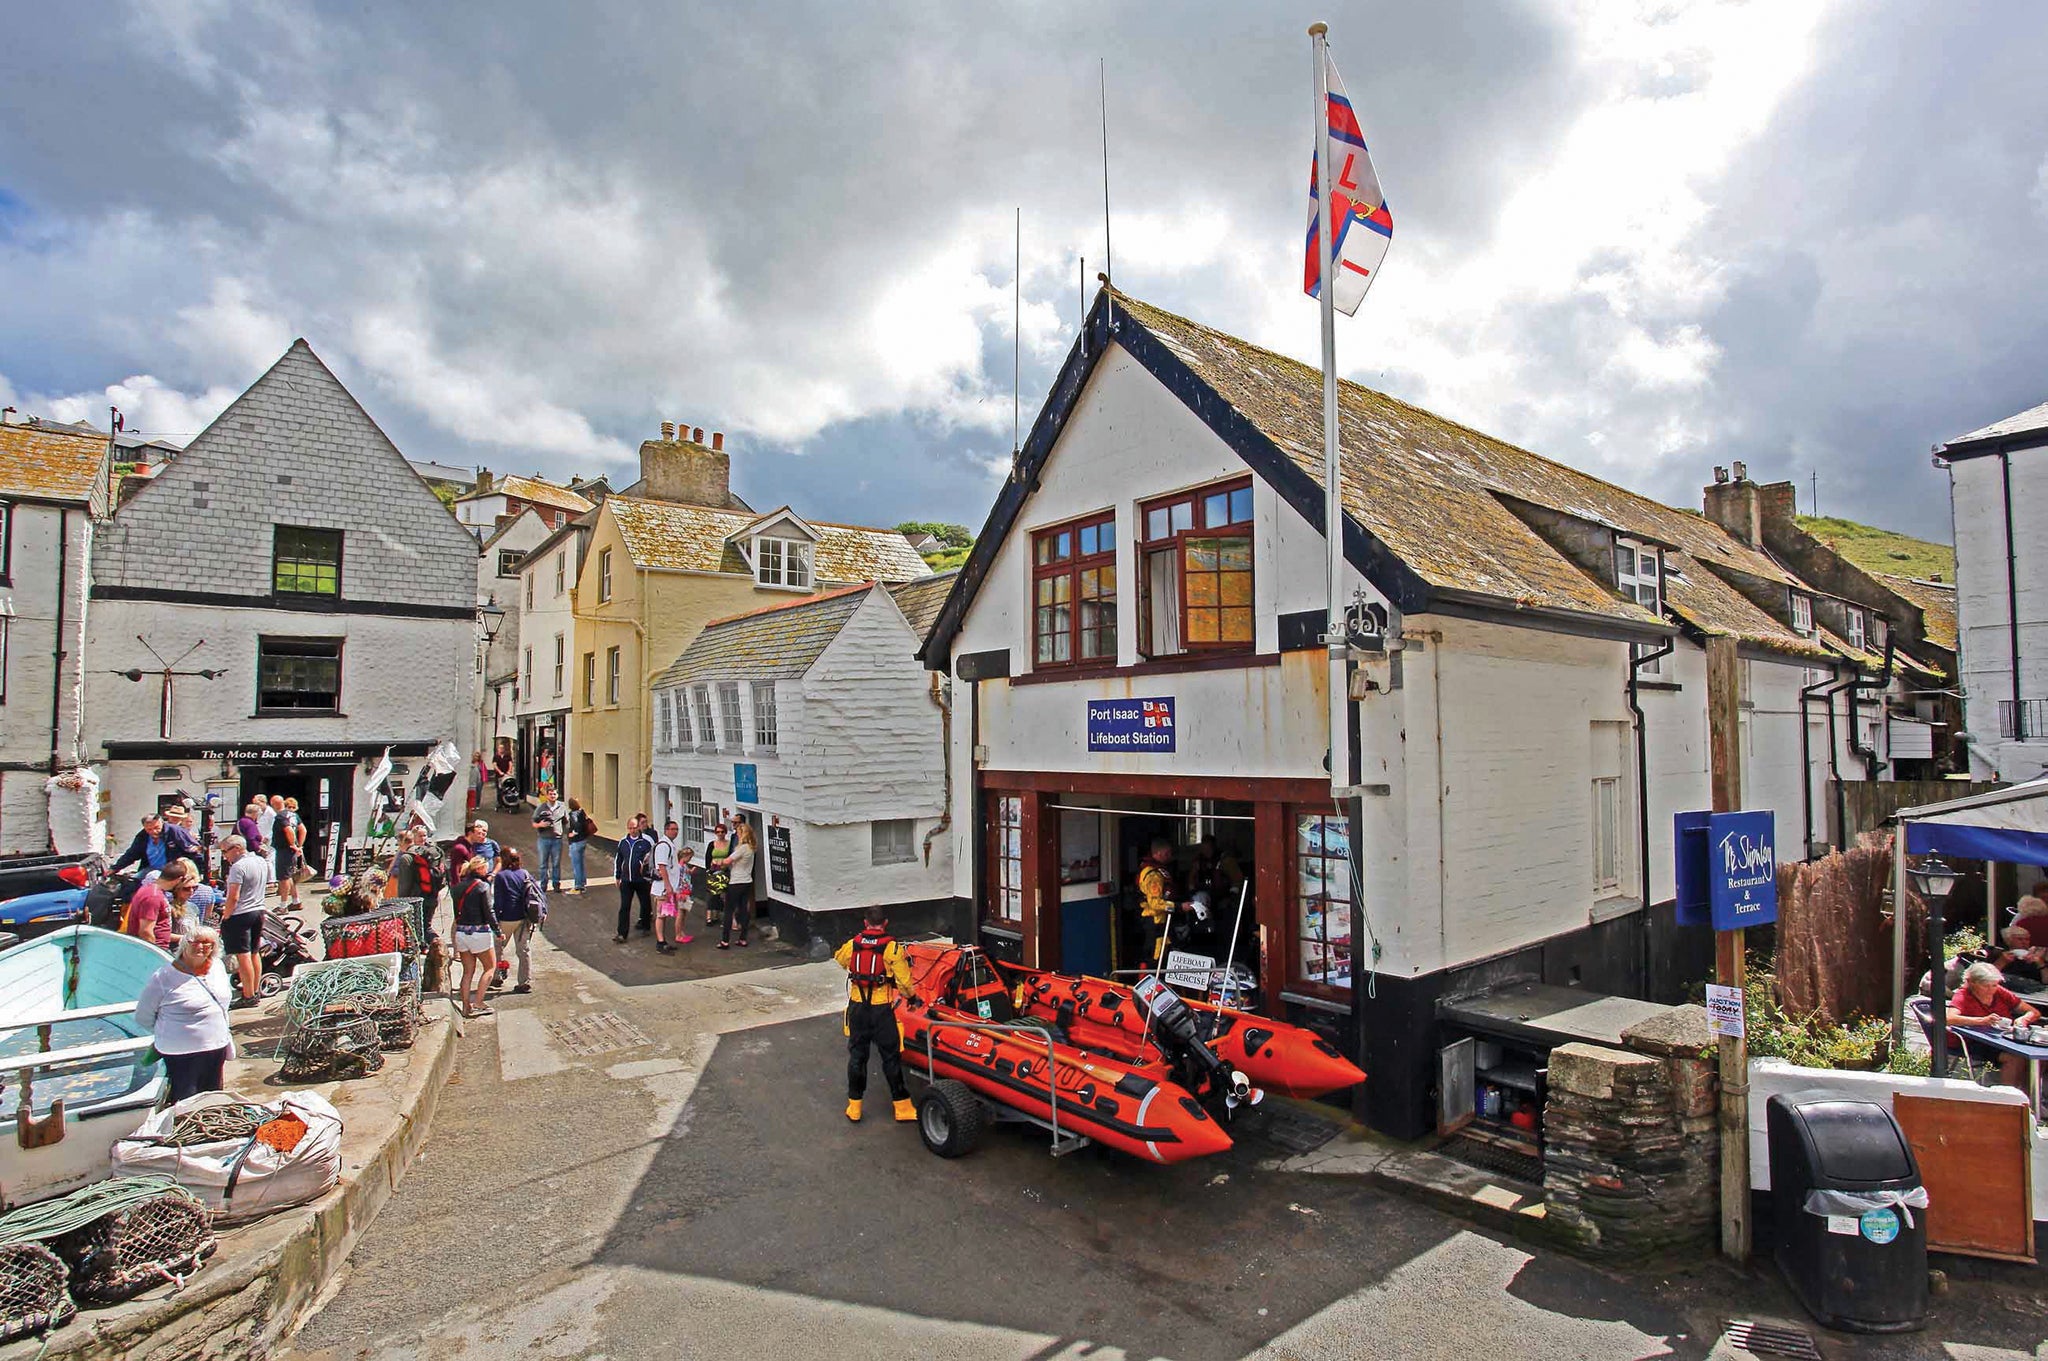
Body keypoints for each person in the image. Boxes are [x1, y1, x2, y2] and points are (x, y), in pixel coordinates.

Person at [834, 906, 917, 1123]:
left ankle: (854, 1106)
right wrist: (911, 997)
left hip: (857, 1007)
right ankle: (902, 1107)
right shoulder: (892, 948)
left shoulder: (854, 943)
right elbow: (905, 982)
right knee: (890, 1057)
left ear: (865, 922)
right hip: (881, 1010)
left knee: (857, 1056)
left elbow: (840, 959)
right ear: (886, 922)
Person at [135, 926, 235, 1102]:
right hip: (181, 1053)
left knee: (213, 1098)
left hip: (216, 1047)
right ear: (184, 944)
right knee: (186, 1100)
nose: (202, 947)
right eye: (195, 942)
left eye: (208, 943)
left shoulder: (218, 967)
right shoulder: (163, 976)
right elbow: (143, 1016)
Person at [1948, 961, 2044, 1090]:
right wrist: (1982, 1021)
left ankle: (2029, 1097)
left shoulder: (1999, 991)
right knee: (2015, 1059)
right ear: (1971, 982)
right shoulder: (1963, 995)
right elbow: (1949, 1018)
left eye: (1993, 985)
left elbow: (2033, 1012)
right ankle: (2008, 1098)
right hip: (1976, 1042)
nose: (1991, 990)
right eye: (1985, 986)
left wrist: (2024, 1019)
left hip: (2004, 1039)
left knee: (2040, 1060)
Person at [216, 834, 272, 1008]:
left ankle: (248, 995)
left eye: (226, 851)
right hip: (258, 910)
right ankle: (255, 991)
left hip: (241, 913)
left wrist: (226, 915)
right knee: (255, 953)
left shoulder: (238, 867)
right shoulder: (261, 861)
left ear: (238, 848)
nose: (225, 856)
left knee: (244, 955)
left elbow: (233, 896)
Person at [452, 858, 500, 1018]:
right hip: (479, 933)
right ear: (479, 869)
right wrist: (498, 931)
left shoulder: (456, 888)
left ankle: (466, 1007)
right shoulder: (483, 886)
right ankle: (479, 1002)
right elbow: (489, 911)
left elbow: (455, 914)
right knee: (490, 968)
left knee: (468, 972)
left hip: (462, 932)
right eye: (485, 868)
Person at [492, 847, 539, 993]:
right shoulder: (524, 873)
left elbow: (498, 901)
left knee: (498, 947)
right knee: (523, 950)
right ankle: (525, 981)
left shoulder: (501, 876)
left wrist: (495, 919)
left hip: (507, 916)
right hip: (524, 917)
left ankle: (497, 976)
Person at [110, 810, 200, 876]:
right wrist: (115, 868)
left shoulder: (175, 832)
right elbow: (132, 854)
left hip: (173, 871)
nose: (154, 831)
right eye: (149, 829)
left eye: (157, 827)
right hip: (151, 870)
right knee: (134, 883)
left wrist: (199, 873)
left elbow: (194, 851)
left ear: (162, 823)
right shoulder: (143, 836)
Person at [614, 814, 656, 943]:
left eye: (635, 827)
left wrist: (650, 874)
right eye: (630, 828)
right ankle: (622, 933)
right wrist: (617, 876)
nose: (633, 830)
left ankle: (645, 925)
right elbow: (618, 859)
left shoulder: (647, 841)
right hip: (627, 880)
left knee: (645, 903)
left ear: (639, 827)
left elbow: (653, 858)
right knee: (624, 906)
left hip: (642, 879)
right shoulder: (623, 842)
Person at [1137, 838, 1180, 967]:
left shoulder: (1160, 871)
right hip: (1154, 921)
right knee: (1154, 959)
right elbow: (1155, 903)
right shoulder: (1153, 875)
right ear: (1158, 853)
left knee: (1163, 956)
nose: (1169, 857)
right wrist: (1179, 907)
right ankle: (1148, 984)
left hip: (1161, 922)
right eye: (1167, 854)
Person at [715, 821, 757, 949]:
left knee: (729, 911)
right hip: (747, 881)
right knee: (744, 910)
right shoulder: (751, 848)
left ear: (742, 834)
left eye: (738, 833)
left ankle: (725, 941)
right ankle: (743, 938)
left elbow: (727, 861)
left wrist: (718, 862)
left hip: (736, 882)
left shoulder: (742, 848)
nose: (737, 835)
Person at [656, 831, 695, 953]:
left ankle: (676, 935)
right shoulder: (679, 865)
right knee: (676, 913)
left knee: (677, 913)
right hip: (679, 891)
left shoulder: (680, 866)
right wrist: (674, 890)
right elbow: (678, 878)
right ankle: (675, 936)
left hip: (680, 890)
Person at [122, 868, 177, 948]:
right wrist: (153, 953)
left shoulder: (154, 894)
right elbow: (146, 931)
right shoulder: (152, 897)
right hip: (154, 949)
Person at [531, 785, 567, 894]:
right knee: (543, 864)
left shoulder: (562, 806)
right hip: (544, 839)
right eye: (550, 794)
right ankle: (543, 885)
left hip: (557, 839)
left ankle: (556, 885)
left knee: (556, 863)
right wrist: (540, 825)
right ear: (547, 795)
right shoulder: (541, 807)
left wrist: (560, 831)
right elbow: (533, 823)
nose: (552, 796)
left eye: (554, 794)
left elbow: (565, 821)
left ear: (557, 795)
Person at [275, 796, 306, 909]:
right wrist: (299, 846)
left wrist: (294, 845)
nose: (291, 809)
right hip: (291, 850)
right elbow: (303, 830)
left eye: (293, 807)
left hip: (285, 849)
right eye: (289, 807)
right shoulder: (295, 816)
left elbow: (289, 830)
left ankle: (283, 906)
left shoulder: (281, 816)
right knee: (289, 876)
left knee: (283, 878)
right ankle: (296, 901)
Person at [702, 817, 732, 929]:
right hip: (713, 871)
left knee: (724, 895)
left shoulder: (729, 844)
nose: (720, 834)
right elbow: (707, 857)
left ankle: (722, 917)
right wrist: (708, 870)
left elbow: (731, 857)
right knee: (711, 894)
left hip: (725, 871)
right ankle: (709, 917)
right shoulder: (712, 844)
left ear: (725, 832)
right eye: (718, 832)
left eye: (722, 832)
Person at [565, 797, 593, 895]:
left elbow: (577, 825)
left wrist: (574, 833)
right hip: (583, 841)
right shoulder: (582, 812)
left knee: (576, 864)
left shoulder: (574, 814)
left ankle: (578, 887)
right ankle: (582, 883)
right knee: (580, 863)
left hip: (576, 842)